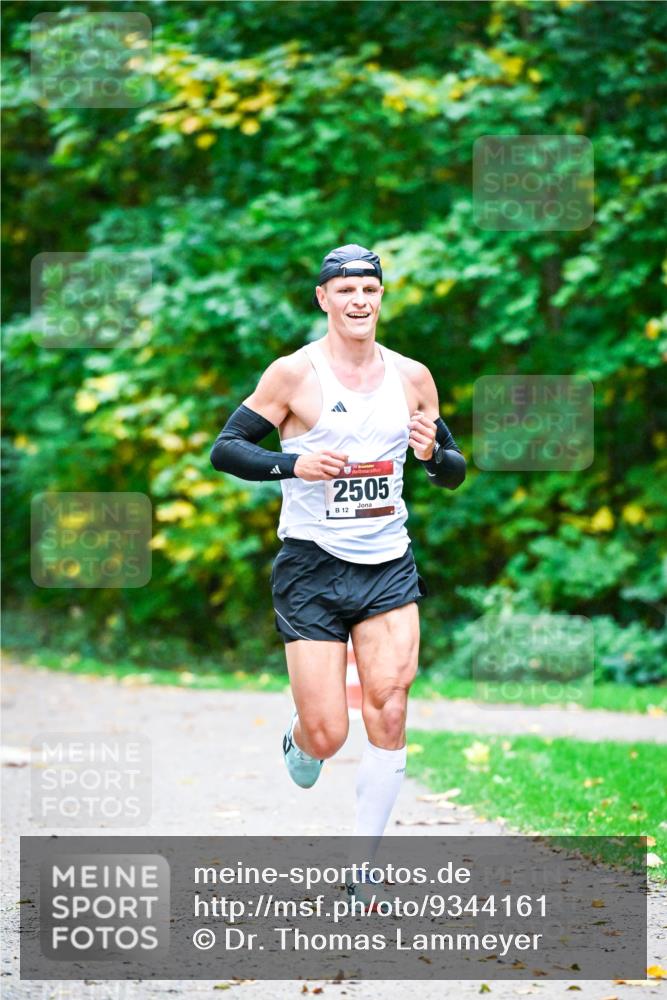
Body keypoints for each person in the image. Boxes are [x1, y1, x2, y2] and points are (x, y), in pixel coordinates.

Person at [210, 244, 466, 908]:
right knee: (329, 732)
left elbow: (451, 467)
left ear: (381, 298)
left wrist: (434, 455)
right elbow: (226, 449)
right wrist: (291, 465)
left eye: (369, 290)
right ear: (323, 299)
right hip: (311, 567)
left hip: (387, 563)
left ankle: (362, 868)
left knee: (390, 705)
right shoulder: (294, 375)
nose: (359, 301)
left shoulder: (411, 377)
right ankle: (301, 738)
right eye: (345, 290)